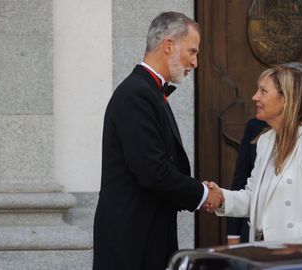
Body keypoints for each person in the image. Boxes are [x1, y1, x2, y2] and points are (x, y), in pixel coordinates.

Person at [93, 12, 223, 270]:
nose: (195, 62)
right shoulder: (136, 94)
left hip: (146, 235)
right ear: (168, 46)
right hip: (132, 243)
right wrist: (204, 193)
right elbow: (153, 171)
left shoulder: (148, 91)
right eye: (192, 51)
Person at [208, 65, 302, 242]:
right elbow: (253, 198)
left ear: (286, 99)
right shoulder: (266, 141)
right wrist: (221, 197)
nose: (255, 97)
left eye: (263, 91)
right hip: (264, 252)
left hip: (298, 255)